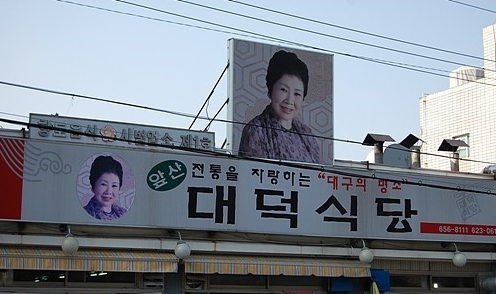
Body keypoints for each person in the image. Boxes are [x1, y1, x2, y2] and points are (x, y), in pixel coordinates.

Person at [238, 50, 320, 163]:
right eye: (283, 90)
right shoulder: (256, 130)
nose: (290, 101)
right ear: (271, 89)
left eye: (297, 94)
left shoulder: (307, 135)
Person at [84, 155, 127, 220]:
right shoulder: (85, 214)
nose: (109, 191)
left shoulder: (123, 214)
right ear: (93, 185)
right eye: (103, 184)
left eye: (114, 185)